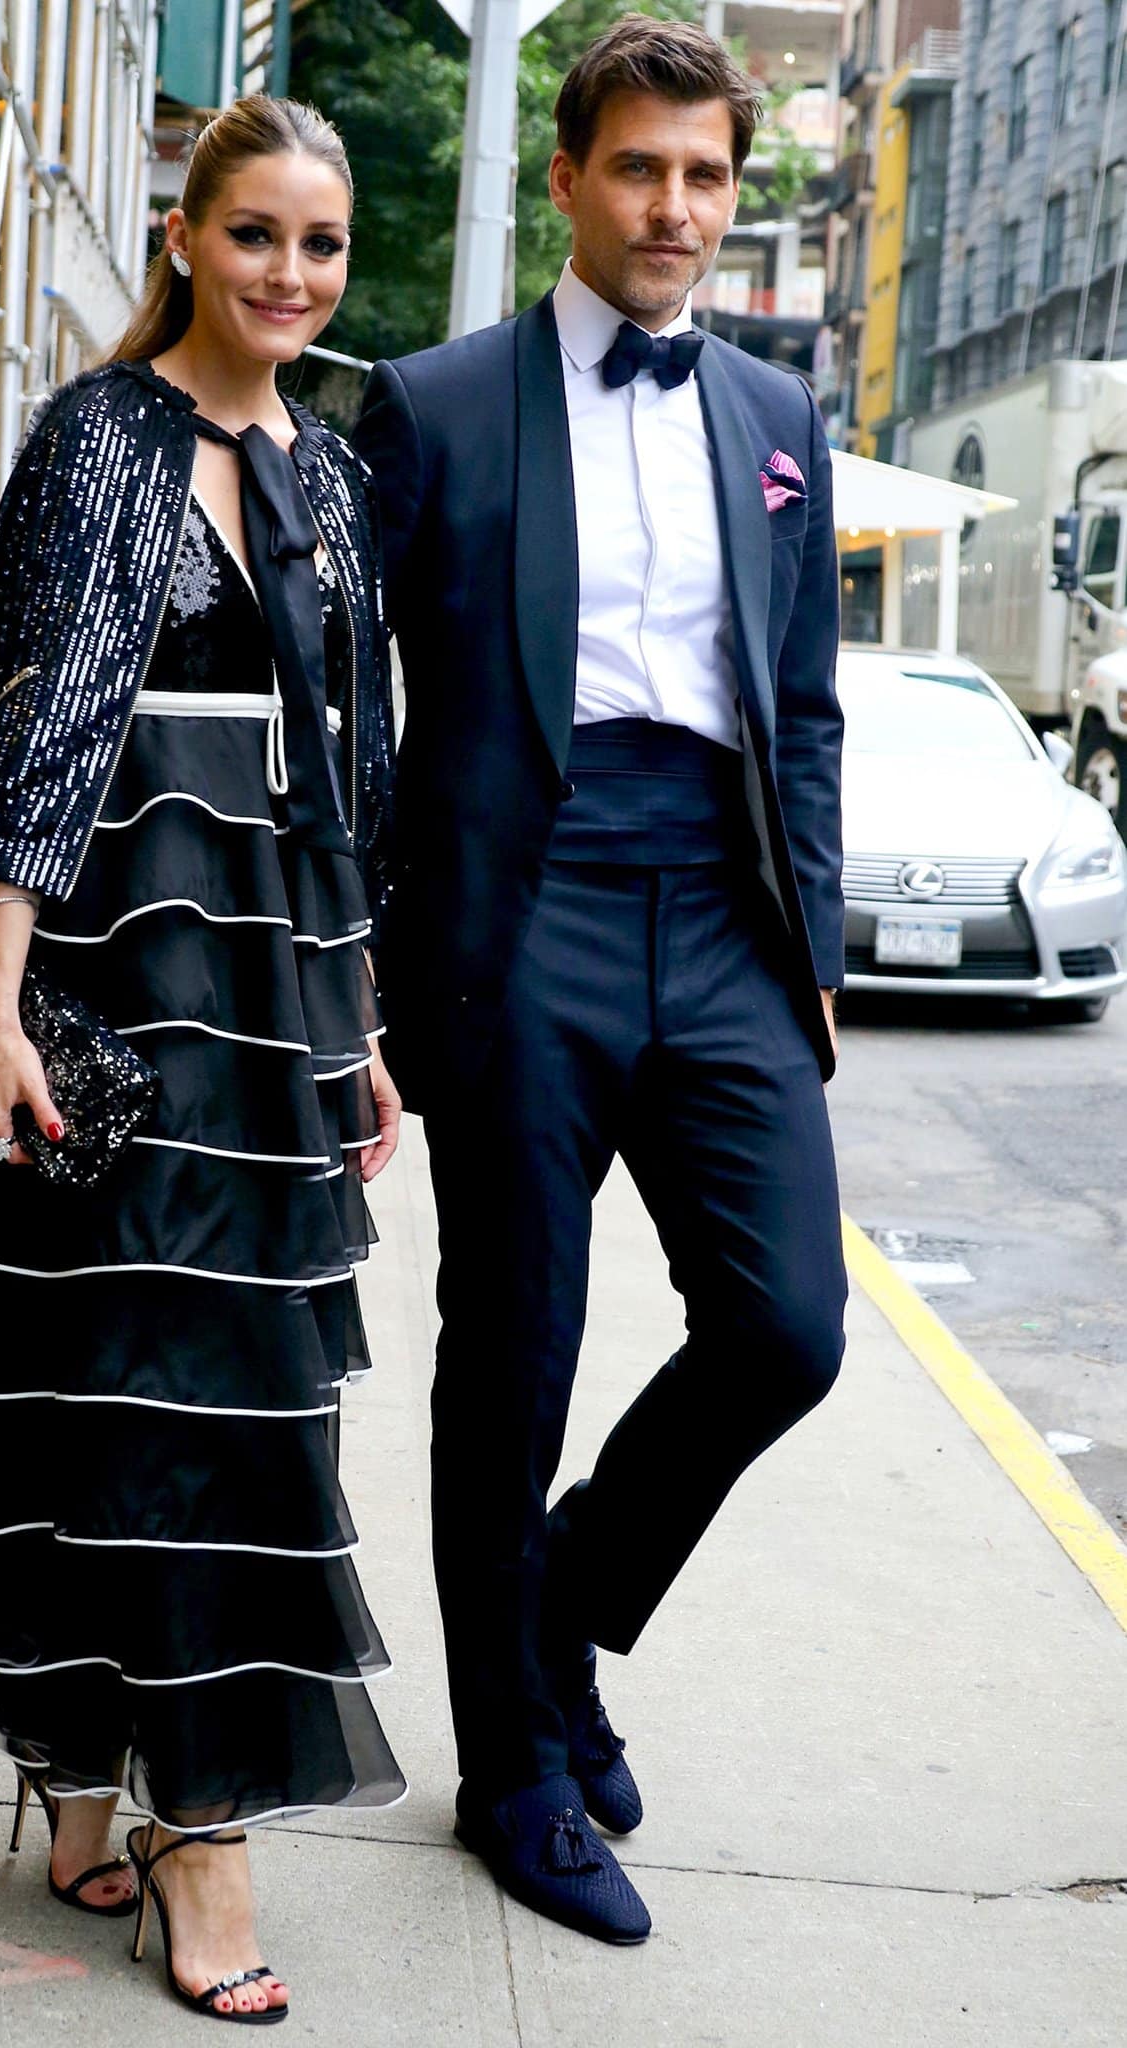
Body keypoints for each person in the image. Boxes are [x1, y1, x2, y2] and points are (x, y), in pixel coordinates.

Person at [0, 95, 405, 2025]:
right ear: (185, 237)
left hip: (268, 984)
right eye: (256, 234)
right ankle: (177, 1823)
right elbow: (36, 720)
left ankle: (125, 1797)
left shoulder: (328, 479)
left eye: (321, 246)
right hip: (104, 959)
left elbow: (351, 785)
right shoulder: (100, 440)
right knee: (108, 1372)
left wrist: (364, 1032)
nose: (290, 275)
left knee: (225, 1388)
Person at [355, 15, 845, 1947]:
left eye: (706, 176)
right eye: (639, 169)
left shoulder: (777, 417)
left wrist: (807, 941)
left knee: (786, 1325)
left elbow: (799, 707)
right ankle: (515, 1771)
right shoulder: (437, 402)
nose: (674, 208)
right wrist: (367, 979)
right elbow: (348, 719)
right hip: (516, 920)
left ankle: (547, 1615)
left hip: (719, 916)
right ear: (567, 180)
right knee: (517, 1365)